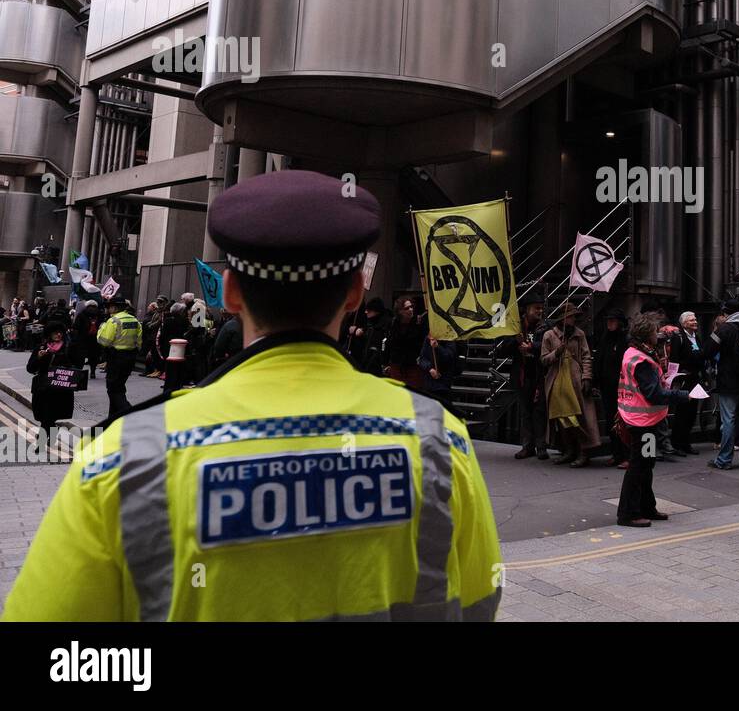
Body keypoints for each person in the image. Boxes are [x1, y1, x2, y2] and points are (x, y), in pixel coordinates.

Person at [3, 170, 500, 622]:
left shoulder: (125, 460)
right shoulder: (439, 441)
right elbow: (480, 604)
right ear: (354, 293)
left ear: (232, 292)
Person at [616, 314, 694, 527]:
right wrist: (683, 395)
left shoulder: (635, 352)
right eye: (654, 331)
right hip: (643, 422)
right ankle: (628, 514)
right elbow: (653, 393)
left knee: (646, 464)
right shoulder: (641, 361)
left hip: (644, 420)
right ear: (646, 335)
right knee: (639, 466)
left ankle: (646, 507)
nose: (657, 334)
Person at [540, 302, 596, 467]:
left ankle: (583, 451)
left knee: (577, 418)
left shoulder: (579, 334)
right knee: (561, 418)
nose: (573, 319)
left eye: (574, 316)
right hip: (557, 381)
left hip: (575, 379)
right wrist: (556, 353)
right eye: (570, 316)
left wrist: (586, 377)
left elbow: (586, 356)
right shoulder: (549, 336)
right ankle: (569, 450)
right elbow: (543, 359)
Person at [707, 301, 739, 470]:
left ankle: (724, 460)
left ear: (725, 313)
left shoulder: (725, 329)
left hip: (729, 381)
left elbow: (708, 351)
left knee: (728, 419)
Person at [510, 293, 550, 460]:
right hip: (522, 374)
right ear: (526, 310)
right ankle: (527, 446)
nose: (539, 311)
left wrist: (532, 347)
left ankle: (541, 446)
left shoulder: (546, 327)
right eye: (536, 308)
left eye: (541, 308)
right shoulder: (515, 328)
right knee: (525, 412)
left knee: (539, 411)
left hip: (540, 374)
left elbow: (550, 345)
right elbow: (503, 347)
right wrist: (516, 344)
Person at [26, 320, 77, 443]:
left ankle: (42, 441)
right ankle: (52, 430)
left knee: (50, 415)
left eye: (60, 332)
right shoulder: (41, 348)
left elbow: (76, 367)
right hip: (42, 387)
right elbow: (30, 368)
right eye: (55, 333)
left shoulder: (68, 348)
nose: (59, 335)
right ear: (49, 334)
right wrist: (38, 358)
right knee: (42, 414)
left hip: (60, 389)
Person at [95, 295, 142, 426]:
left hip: (116, 357)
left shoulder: (113, 321)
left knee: (113, 389)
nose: (108, 309)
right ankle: (113, 419)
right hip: (130, 357)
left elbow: (104, 341)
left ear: (114, 307)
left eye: (109, 307)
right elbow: (139, 341)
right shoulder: (134, 320)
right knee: (119, 386)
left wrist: (101, 329)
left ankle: (130, 413)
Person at [668, 310, 709, 454]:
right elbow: (674, 360)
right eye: (692, 320)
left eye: (695, 319)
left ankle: (686, 443)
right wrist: (674, 380)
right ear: (684, 323)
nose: (695, 322)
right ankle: (677, 443)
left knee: (691, 412)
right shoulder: (678, 337)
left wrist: (705, 376)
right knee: (681, 413)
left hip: (695, 379)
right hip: (684, 379)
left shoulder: (696, 337)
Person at [593, 308, 630, 467]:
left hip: (621, 387)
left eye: (613, 321)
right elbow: (599, 360)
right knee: (611, 421)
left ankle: (627, 455)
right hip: (607, 387)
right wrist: (595, 380)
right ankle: (616, 453)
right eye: (608, 320)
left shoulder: (625, 340)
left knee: (623, 421)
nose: (609, 323)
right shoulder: (605, 338)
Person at [383, 296, 426, 388]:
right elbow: (389, 344)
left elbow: (421, 343)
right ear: (399, 311)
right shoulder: (393, 324)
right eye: (407, 308)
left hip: (413, 366)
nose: (411, 310)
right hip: (397, 365)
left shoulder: (418, 323)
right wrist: (386, 364)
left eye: (411, 307)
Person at [70, 300, 103, 379]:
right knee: (94, 356)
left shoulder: (82, 313)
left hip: (82, 338)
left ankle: (79, 372)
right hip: (95, 339)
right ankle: (92, 372)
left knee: (80, 356)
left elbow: (76, 327)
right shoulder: (100, 314)